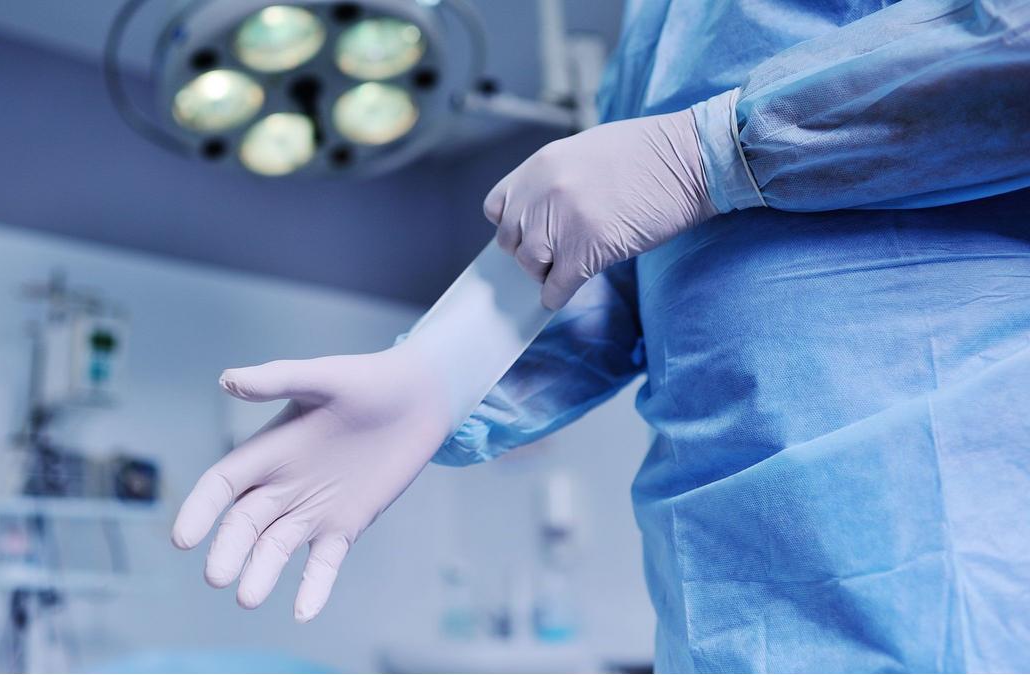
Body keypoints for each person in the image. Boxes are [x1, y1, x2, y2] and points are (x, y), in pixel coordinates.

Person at [174, 0, 1030, 671]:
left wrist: (710, 149)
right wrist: (439, 376)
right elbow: (618, 262)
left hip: (939, 536)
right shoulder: (659, 20)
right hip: (720, 591)